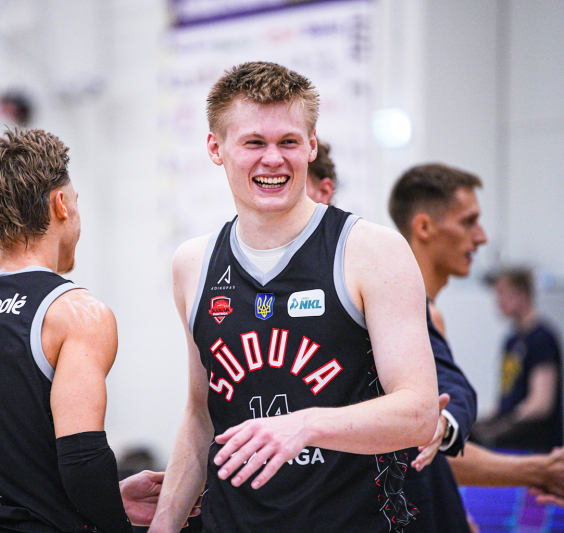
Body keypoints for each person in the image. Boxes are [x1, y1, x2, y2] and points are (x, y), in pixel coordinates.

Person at [148, 62, 439, 533]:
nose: (273, 159)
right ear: (216, 148)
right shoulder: (193, 263)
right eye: (253, 143)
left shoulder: (371, 251)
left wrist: (306, 425)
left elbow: (419, 414)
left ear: (311, 145)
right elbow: (200, 416)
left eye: (288, 141)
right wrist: (164, 525)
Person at [0, 128, 190, 533]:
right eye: (76, 201)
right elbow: (82, 463)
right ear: (61, 204)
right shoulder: (75, 314)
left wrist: (111, 498)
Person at [388, 163, 564, 530]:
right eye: (469, 222)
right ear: (424, 227)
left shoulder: (422, 311)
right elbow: (426, 448)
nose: (482, 237)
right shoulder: (414, 315)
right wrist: (539, 469)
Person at [473, 267, 563, 452]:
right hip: (512, 429)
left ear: (522, 295)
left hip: (535, 440)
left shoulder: (541, 338)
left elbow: (540, 404)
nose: (498, 301)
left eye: (503, 294)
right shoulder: (511, 341)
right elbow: (506, 397)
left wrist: (503, 425)